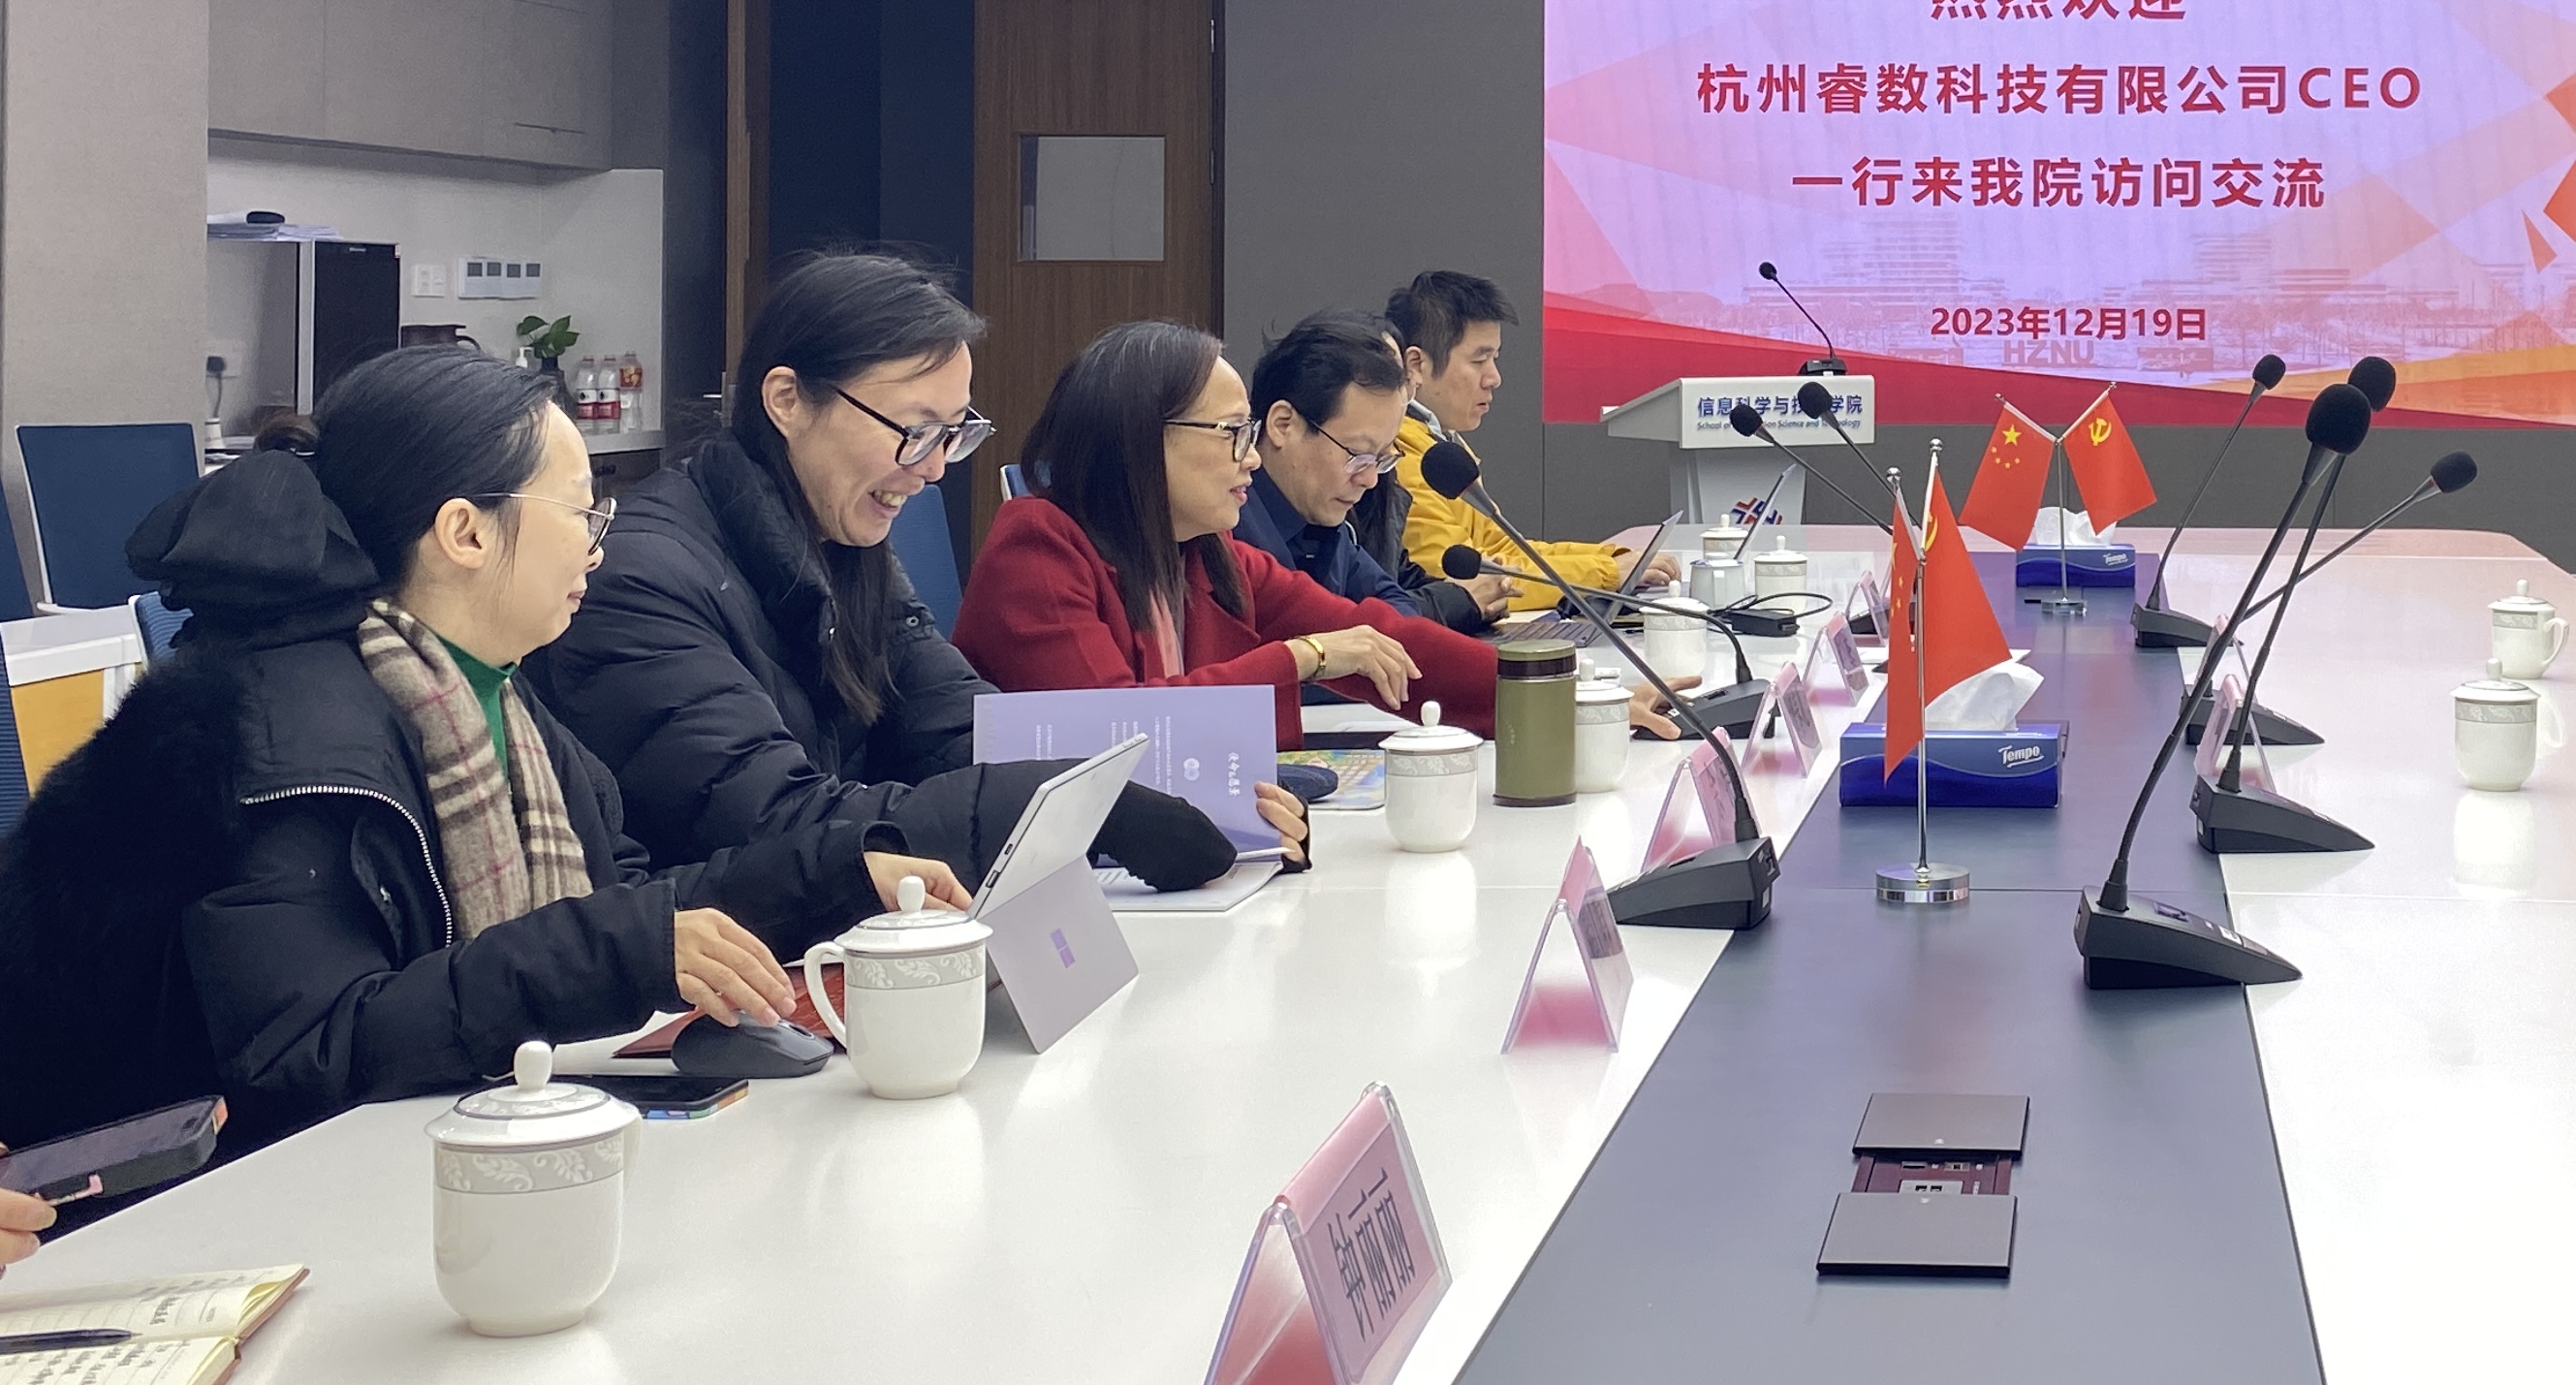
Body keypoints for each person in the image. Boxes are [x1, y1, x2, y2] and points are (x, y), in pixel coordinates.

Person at [0, 350, 970, 1150]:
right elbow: (311, 1052)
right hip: (158, 1208)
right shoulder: (283, 731)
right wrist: (616, 952)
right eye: (581, 514)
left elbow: (626, 898)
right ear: (464, 531)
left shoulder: (489, 692)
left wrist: (832, 878)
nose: (598, 548)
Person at [529, 249, 1248, 889]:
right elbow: (776, 824)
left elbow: (964, 727)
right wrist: (1076, 804)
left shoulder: (845, 547)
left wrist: (1210, 793)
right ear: (786, 401)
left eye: (954, 433)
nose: (935, 469)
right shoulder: (640, 582)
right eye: (916, 431)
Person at [956, 320, 1499, 744]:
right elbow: (1113, 733)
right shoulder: (1038, 549)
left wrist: (1535, 689)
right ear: (1144, 437)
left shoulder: (1202, 552)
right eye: (1233, 433)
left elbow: (1376, 638)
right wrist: (1302, 657)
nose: (1252, 459)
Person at [1384, 269, 1682, 614]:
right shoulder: (1402, 454)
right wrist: (1606, 572)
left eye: (1494, 359)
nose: (1494, 378)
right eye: (1478, 360)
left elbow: (1502, 547)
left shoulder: (1439, 440)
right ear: (1416, 364)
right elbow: (1461, 579)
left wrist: (1611, 560)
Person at [1238, 311, 1488, 631]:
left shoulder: (1328, 525)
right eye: (1357, 454)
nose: (1370, 480)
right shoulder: (1226, 527)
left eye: (1382, 459)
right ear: (1283, 425)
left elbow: (1397, 609)